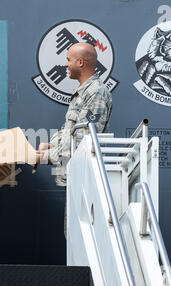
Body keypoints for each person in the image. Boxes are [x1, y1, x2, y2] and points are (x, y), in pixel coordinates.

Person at [36, 42, 112, 236]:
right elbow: (70, 130)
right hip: (77, 176)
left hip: (86, 179)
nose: (65, 64)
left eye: (68, 60)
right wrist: (51, 144)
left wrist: (43, 157)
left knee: (80, 236)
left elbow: (82, 143)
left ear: (80, 62)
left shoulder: (96, 93)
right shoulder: (84, 92)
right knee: (73, 235)